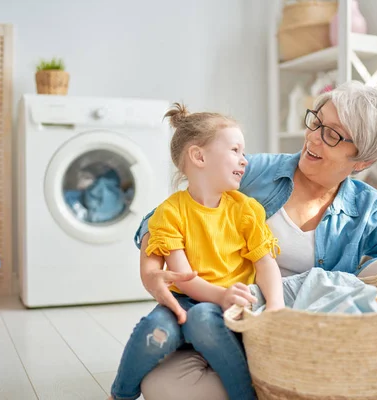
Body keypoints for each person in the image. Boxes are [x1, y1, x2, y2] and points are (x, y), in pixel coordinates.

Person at [134, 82, 377, 400]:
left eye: (332, 135)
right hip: (239, 324)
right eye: (316, 122)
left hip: (317, 329)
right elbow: (165, 216)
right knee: (163, 385)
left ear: (362, 161)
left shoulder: (364, 206)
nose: (313, 138)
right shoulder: (256, 172)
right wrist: (151, 272)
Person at [109, 103, 284, 400]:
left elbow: (266, 263)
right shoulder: (169, 212)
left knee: (203, 316)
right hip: (184, 299)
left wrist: (276, 305)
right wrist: (219, 295)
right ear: (199, 156)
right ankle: (119, 395)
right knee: (154, 329)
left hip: (232, 305)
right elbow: (183, 276)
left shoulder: (246, 210)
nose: (244, 161)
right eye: (235, 150)